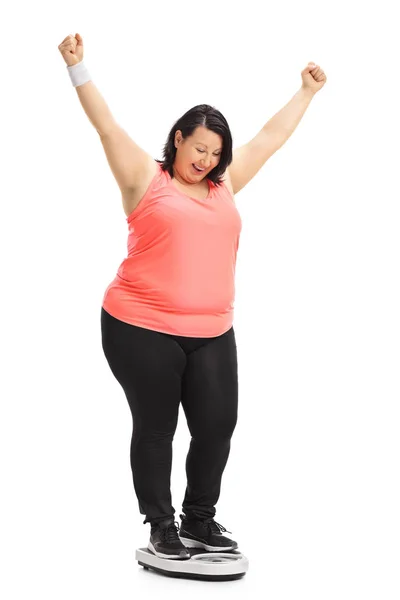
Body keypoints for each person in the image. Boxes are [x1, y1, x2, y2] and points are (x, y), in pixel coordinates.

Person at [58, 32, 326, 561]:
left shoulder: (223, 186)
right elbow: (106, 127)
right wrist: (78, 67)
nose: (207, 160)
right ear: (178, 138)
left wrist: (306, 92)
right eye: (199, 148)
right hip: (140, 325)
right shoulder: (144, 179)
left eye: (216, 153)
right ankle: (161, 527)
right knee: (157, 427)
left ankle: (199, 522)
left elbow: (270, 138)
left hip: (211, 331)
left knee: (217, 424)